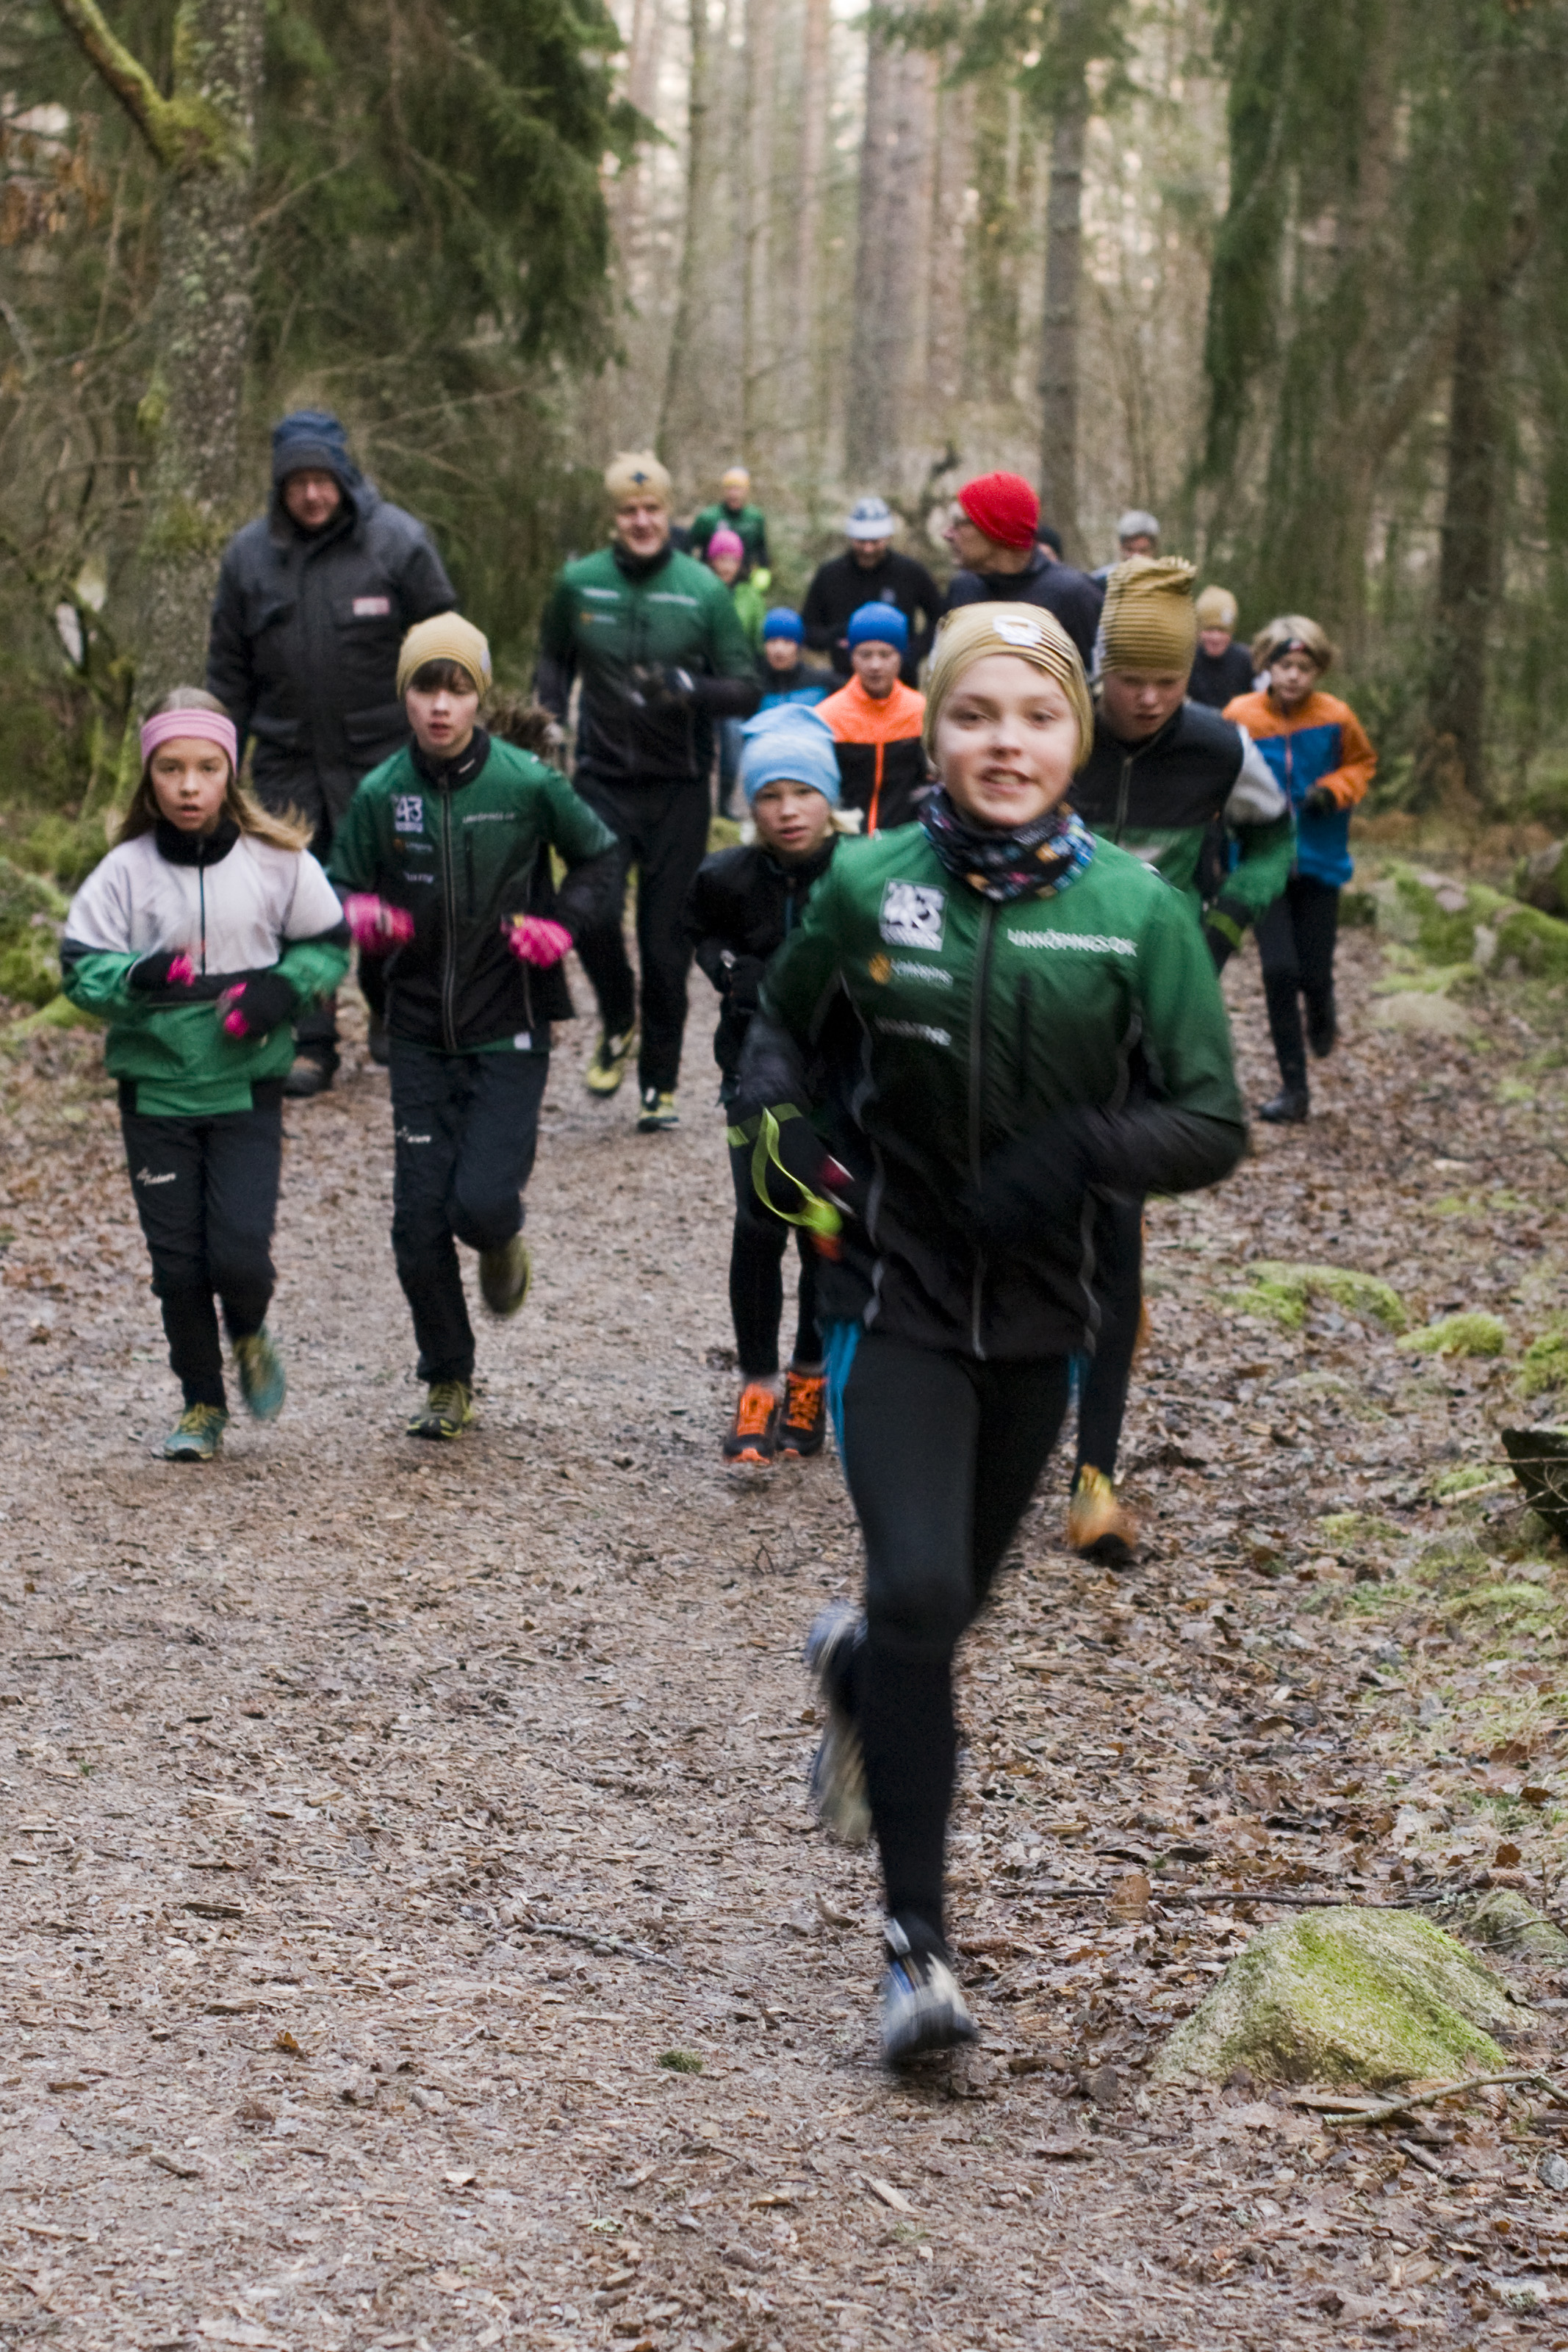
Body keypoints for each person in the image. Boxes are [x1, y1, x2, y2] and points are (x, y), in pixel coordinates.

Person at [732, 603, 1245, 2063]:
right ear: (933, 735)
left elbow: (1208, 1120)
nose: (1001, 743)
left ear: (1070, 738)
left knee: (935, 1613)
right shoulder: (865, 883)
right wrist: (781, 1134)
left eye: (1031, 717)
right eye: (971, 716)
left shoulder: (1138, 915)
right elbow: (777, 1030)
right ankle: (916, 1954)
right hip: (892, 1291)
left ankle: (859, 1676)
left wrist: (1079, 1150)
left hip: (1039, 1313)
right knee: (916, 1592)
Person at [327, 615, 619, 1441]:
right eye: (426, 687)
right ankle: (448, 1379)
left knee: (482, 1203)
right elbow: (336, 884)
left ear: (478, 698)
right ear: (406, 696)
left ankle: (501, 1240)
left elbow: (602, 859)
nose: (440, 706)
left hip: (510, 1023)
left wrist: (561, 925)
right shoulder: (382, 792)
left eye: (456, 689)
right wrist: (361, 914)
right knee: (417, 1222)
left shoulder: (527, 783)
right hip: (417, 1029)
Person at [60, 690, 348, 1461]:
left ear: (231, 773)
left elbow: (327, 944)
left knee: (240, 1255)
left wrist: (281, 991)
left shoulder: (277, 860)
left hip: (246, 1089)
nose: (188, 786)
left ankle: (248, 1328)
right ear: (148, 776)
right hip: (155, 1095)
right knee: (179, 1266)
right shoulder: (124, 871)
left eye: (206, 768)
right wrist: (138, 974)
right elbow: (80, 971)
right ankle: (201, 1403)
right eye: (170, 769)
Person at [1070, 558, 1292, 1563]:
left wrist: (1218, 931)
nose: (1151, 699)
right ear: (1099, 672)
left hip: (1145, 1026)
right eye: (1131, 680)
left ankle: (1093, 1481)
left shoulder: (1219, 747)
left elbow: (1276, 841)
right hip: (1036, 1011)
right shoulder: (1057, 727)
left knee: (1115, 1238)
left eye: (1168, 681)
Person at [206, 408, 456, 1096]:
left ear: (345, 478)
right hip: (287, 762)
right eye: (297, 483)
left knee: (397, 894)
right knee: (297, 902)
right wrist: (218, 759)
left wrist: (447, 745)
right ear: (279, 487)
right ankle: (311, 1041)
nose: (312, 494)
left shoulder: (399, 543)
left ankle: (393, 1012)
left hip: (387, 759)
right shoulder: (248, 557)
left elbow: (446, 651)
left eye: (323, 479)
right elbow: (228, 671)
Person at [535, 453, 760, 1132]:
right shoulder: (579, 583)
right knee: (592, 912)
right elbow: (553, 659)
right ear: (614, 517)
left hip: (679, 788)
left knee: (665, 946)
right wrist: (549, 717)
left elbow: (746, 687)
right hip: (601, 778)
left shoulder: (703, 589)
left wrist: (693, 688)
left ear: (669, 514)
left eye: (652, 510)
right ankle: (617, 1017)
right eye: (629, 511)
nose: (641, 521)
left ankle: (659, 1083)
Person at [686, 708, 847, 1467]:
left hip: (841, 1077)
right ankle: (756, 1386)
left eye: (803, 793)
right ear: (750, 805)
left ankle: (809, 1377)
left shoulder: (859, 872)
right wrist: (731, 972)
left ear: (829, 798)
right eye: (770, 795)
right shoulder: (726, 875)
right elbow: (701, 931)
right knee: (758, 1222)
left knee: (823, 1226)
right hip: (751, 1073)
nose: (787, 811)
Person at [1225, 617, 1377, 1123]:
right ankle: (1294, 1089)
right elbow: (1219, 773)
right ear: (1267, 665)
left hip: (1319, 859)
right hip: (1260, 862)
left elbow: (1362, 764)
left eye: (1304, 668)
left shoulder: (1336, 716)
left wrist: (1333, 790)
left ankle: (1322, 1002)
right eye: (1285, 665)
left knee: (1313, 970)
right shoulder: (1240, 716)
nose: (1293, 676)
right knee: (1277, 970)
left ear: (1319, 670)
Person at [942, 472, 1103, 666]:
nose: (947, 534)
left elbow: (1096, 679)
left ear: (997, 528)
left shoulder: (1074, 595)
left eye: (958, 523)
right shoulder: (963, 588)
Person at [802, 497, 942, 687]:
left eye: (875, 542)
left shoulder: (910, 573)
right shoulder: (830, 575)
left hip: (902, 683)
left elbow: (940, 618)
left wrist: (914, 651)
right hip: (844, 683)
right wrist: (837, 636)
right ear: (851, 537)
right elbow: (808, 629)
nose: (868, 549)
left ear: (888, 537)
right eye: (861, 541)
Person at [817, 605, 928, 835]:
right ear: (852, 657)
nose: (875, 665)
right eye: (865, 655)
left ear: (900, 657)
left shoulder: (922, 712)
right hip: (846, 841)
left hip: (907, 840)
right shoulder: (826, 716)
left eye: (885, 655)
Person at [690, 466, 770, 572]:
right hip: (711, 575)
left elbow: (761, 548)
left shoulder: (755, 517)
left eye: (738, 489)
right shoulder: (708, 518)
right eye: (729, 488)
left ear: (746, 491)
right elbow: (690, 545)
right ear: (723, 490)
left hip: (744, 575)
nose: (733, 494)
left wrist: (764, 570)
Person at [1188, 586, 1255, 710]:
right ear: (1198, 630)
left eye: (1222, 630)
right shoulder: (1188, 662)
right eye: (1209, 630)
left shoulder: (1246, 661)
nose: (1216, 638)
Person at [757, 610, 835, 713]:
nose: (779, 649)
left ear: (798, 646)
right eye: (772, 641)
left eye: (787, 642)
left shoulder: (822, 683)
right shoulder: (755, 687)